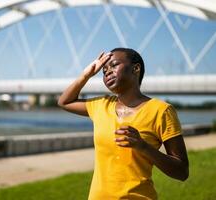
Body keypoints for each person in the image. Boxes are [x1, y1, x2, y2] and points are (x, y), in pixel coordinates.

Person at [58, 48, 189, 200]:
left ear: (136, 68)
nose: (107, 72)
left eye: (113, 65)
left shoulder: (161, 111)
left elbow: (182, 172)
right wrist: (87, 75)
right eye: (104, 70)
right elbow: (64, 102)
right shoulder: (101, 104)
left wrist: (143, 146)